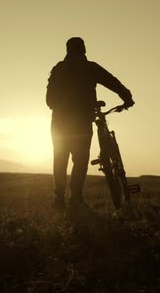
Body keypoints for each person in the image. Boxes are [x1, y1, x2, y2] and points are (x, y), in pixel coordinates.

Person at [46, 37, 134, 211]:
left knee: (60, 159)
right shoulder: (90, 68)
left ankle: (59, 200)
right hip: (82, 122)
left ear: (67, 50)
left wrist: (61, 107)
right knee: (80, 160)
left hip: (59, 123)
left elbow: (49, 100)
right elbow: (112, 82)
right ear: (84, 50)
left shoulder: (58, 69)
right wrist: (127, 97)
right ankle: (76, 198)